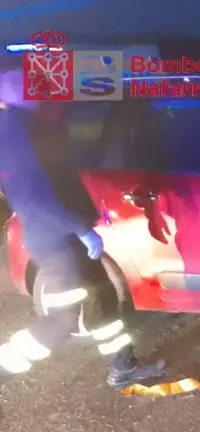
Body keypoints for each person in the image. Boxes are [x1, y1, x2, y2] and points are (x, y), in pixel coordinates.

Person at [0, 67, 167, 388]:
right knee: (62, 320)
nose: (39, 92)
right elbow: (35, 197)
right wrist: (78, 228)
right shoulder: (14, 135)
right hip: (56, 240)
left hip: (66, 235)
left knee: (101, 299)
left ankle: (123, 366)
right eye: (29, 87)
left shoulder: (30, 126)